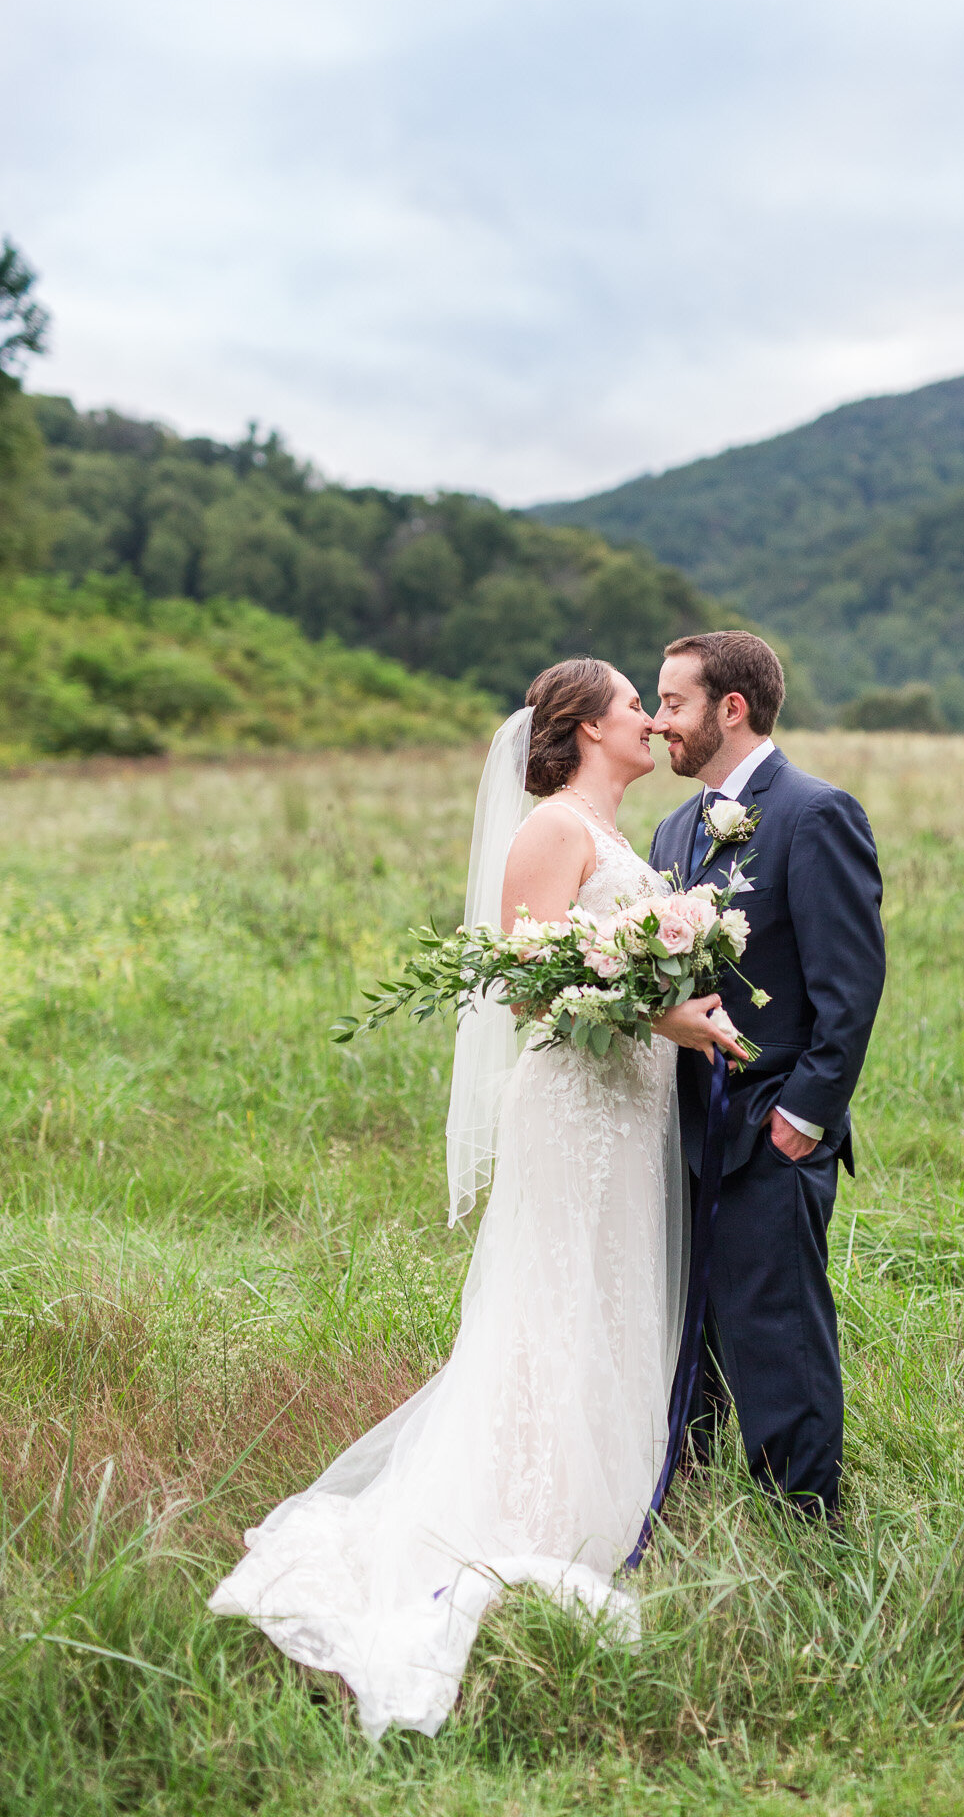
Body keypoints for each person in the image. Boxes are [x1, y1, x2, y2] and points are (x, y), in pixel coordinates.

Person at [209, 659, 739, 1741]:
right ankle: (526, 1521)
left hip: (626, 1115)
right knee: (553, 1309)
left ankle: (599, 1515)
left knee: (612, 1305)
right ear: (590, 726)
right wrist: (659, 1014)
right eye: (636, 703)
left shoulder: (622, 837)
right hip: (576, 1109)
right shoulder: (551, 828)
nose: (651, 716)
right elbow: (524, 978)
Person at [650, 631, 885, 1521]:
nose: (658, 721)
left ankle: (803, 1524)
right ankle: (697, 1505)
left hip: (769, 1129)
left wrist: (805, 1116)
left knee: (776, 1334)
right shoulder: (674, 828)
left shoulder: (815, 813)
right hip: (682, 1129)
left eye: (672, 703)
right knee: (692, 1335)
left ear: (730, 708)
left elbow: (849, 986)